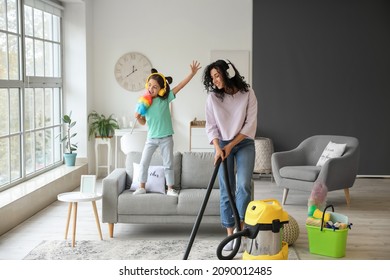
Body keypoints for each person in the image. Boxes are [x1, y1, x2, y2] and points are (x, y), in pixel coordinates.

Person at [202, 59, 257, 250]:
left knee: (243, 186)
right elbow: (211, 126)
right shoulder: (213, 98)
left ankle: (240, 234)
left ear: (228, 73)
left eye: (217, 75)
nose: (215, 80)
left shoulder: (248, 93)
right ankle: (229, 235)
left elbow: (250, 124)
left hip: (244, 143)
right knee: (227, 189)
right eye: (212, 77)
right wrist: (218, 147)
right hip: (222, 143)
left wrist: (231, 145)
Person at [133, 60, 201, 196]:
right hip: (151, 138)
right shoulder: (144, 103)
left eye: (155, 87)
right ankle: (141, 187)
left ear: (161, 89)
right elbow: (143, 122)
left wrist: (192, 74)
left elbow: (180, 86)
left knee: (168, 164)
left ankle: (170, 188)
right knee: (144, 162)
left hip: (166, 138)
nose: (151, 89)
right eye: (150, 86)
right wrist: (138, 117)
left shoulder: (165, 99)